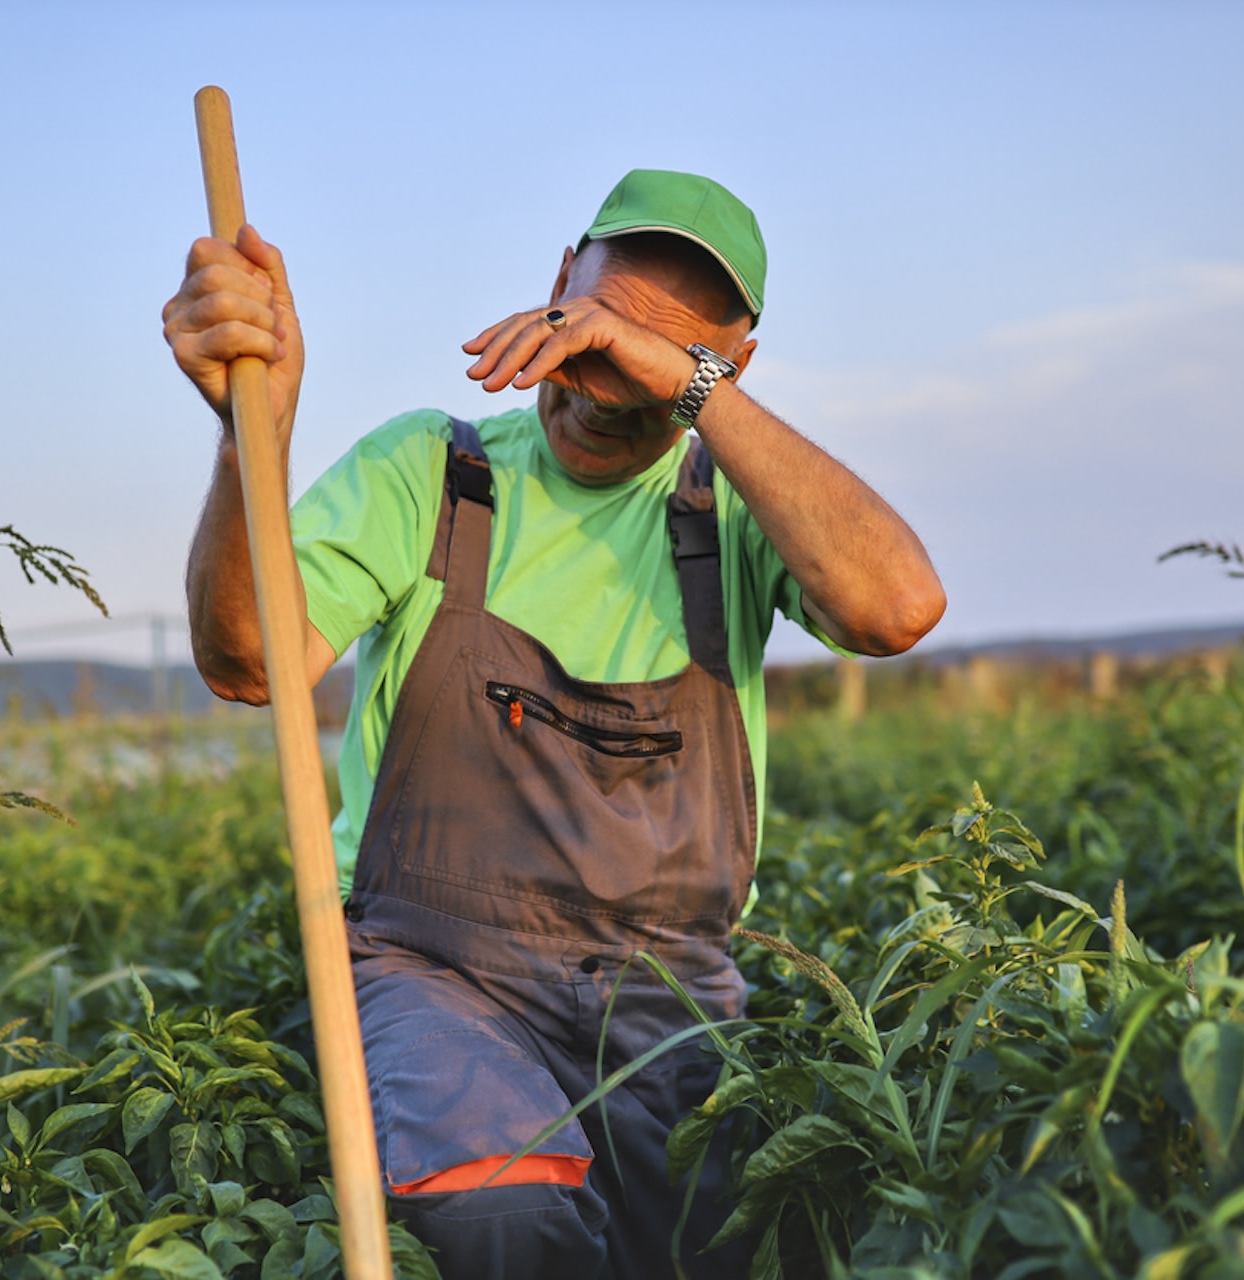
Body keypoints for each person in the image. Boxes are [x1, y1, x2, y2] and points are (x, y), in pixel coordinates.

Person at [163, 170, 944, 1279]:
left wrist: (688, 386)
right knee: (502, 1214)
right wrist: (253, 434)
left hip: (671, 987)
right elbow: (248, 662)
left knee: (742, 1244)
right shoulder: (435, 475)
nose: (594, 387)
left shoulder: (732, 507)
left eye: (639, 364)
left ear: (725, 363)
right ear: (555, 286)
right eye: (588, 334)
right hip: (437, 969)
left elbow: (896, 606)